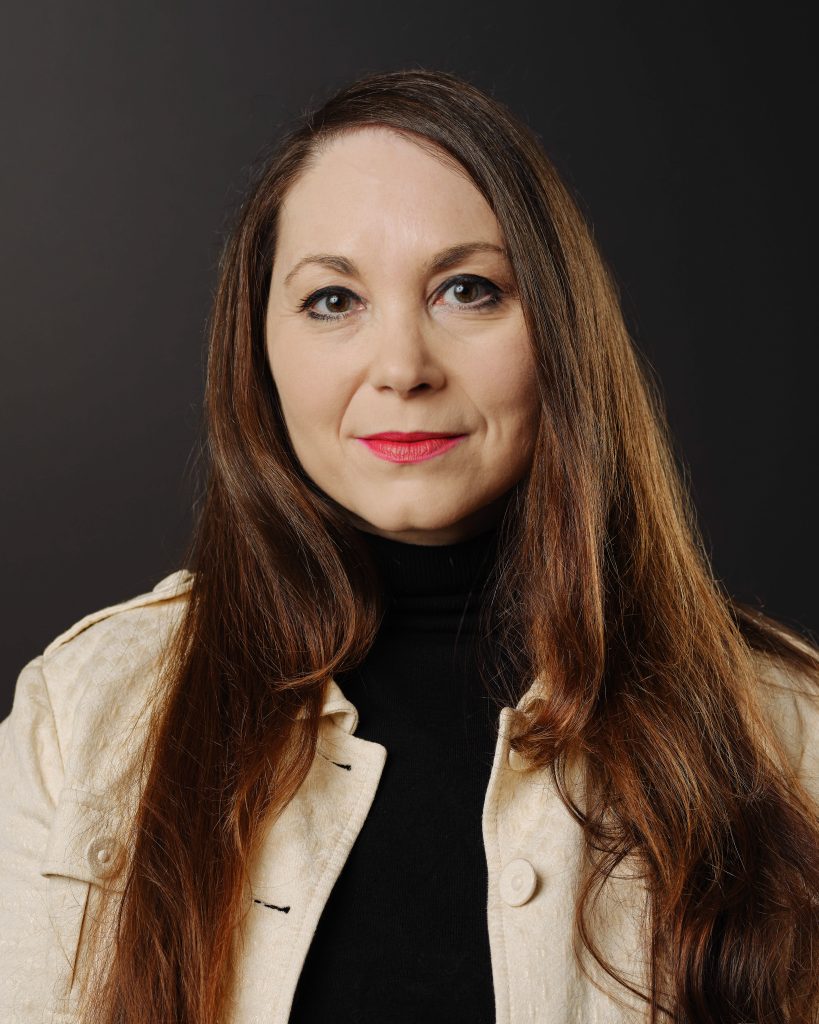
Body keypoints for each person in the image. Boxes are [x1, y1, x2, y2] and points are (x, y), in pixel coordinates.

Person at [1, 68, 817, 1024]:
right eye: (332, 301)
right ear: (257, 349)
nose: (402, 369)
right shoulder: (84, 713)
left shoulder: (788, 731)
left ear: (558, 330)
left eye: (467, 290)